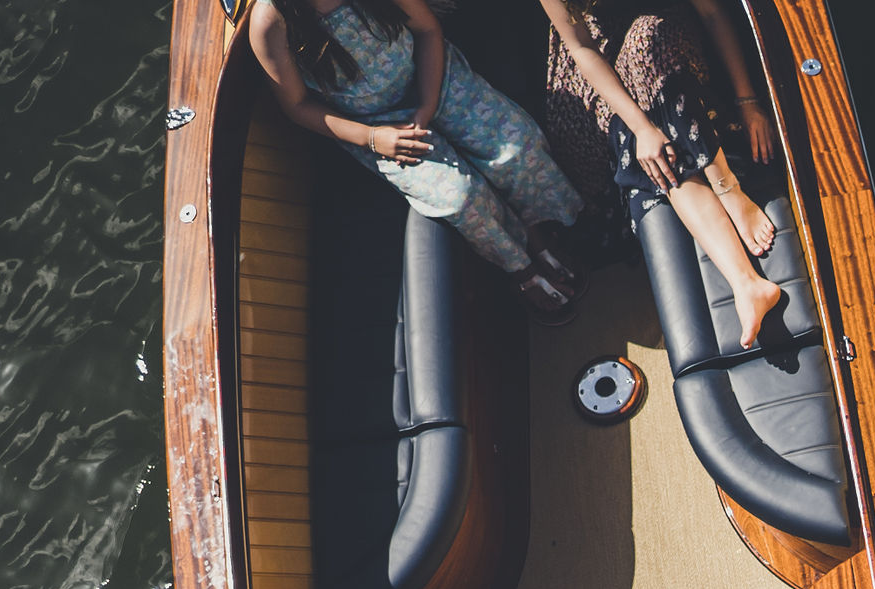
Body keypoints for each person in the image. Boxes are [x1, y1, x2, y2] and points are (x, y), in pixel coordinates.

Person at [249, 0, 588, 319]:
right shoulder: (272, 22)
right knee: (460, 197)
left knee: (517, 148)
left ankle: (538, 228)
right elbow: (296, 106)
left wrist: (427, 104)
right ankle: (521, 267)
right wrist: (372, 138)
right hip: (376, 125)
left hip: (433, 79)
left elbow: (427, 30)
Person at [533, 1, 790, 349]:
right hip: (596, 55)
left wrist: (748, 100)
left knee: (647, 44)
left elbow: (712, 12)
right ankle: (746, 283)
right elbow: (580, 46)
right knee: (632, 132)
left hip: (661, 23)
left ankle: (728, 189)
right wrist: (642, 129)